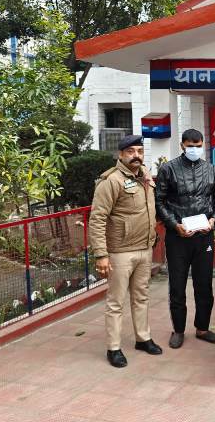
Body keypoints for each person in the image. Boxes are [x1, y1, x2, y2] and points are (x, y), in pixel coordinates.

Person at [89, 135, 162, 368]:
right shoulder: (111, 181)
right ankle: (113, 348)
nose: (136, 155)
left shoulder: (145, 176)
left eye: (140, 151)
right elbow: (97, 219)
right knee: (116, 302)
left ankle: (143, 338)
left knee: (141, 296)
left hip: (144, 248)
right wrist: (101, 254)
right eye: (130, 151)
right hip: (120, 251)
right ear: (121, 154)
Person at [155, 129, 215, 348]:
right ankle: (178, 330)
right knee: (177, 286)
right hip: (178, 237)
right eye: (190, 146)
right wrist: (174, 225)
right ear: (182, 146)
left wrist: (213, 219)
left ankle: (202, 328)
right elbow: (159, 201)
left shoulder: (211, 170)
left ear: (203, 145)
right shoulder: (168, 169)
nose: (194, 149)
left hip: (204, 236)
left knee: (204, 285)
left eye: (198, 145)